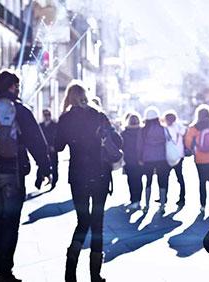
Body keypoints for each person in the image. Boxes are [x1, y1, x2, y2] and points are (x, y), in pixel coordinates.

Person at [0, 69, 51, 282]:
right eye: (17, 86)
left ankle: (0, 262)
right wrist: (44, 167)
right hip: (13, 171)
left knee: (0, 215)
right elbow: (36, 141)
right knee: (12, 218)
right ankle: (5, 267)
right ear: (13, 87)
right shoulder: (20, 110)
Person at [55, 80, 121, 282]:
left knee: (82, 221)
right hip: (100, 174)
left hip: (77, 175)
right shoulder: (98, 116)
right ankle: (95, 274)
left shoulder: (66, 119)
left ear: (69, 97)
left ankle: (70, 271)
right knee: (98, 223)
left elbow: (58, 146)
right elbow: (118, 142)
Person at [139, 106, 170, 213]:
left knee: (148, 182)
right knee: (162, 181)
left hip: (148, 158)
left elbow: (140, 145)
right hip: (162, 158)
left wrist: (140, 157)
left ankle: (147, 205)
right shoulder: (164, 129)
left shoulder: (143, 130)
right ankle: (162, 206)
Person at [164, 110, 187, 206]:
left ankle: (163, 197)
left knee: (165, 177)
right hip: (179, 155)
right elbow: (185, 132)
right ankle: (182, 198)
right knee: (180, 177)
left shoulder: (164, 129)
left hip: (167, 155)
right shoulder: (180, 127)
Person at [121, 113, 144, 209]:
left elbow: (121, 146)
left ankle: (133, 200)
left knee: (131, 180)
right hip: (140, 160)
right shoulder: (142, 131)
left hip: (128, 160)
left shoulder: (124, 132)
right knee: (139, 180)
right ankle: (138, 200)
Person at [35, 109, 58, 189]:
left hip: (52, 148)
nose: (47, 116)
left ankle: (54, 182)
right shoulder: (40, 125)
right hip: (43, 148)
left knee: (54, 165)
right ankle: (39, 182)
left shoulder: (55, 125)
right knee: (41, 164)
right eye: (45, 115)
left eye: (48, 114)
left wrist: (54, 146)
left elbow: (57, 137)